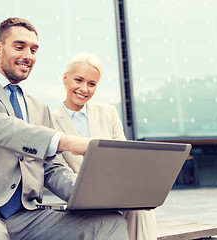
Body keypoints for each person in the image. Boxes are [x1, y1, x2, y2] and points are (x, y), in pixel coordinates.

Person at [0, 18, 129, 240]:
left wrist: (94, 192)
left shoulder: (39, 108)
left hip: (27, 215)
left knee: (110, 223)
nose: (28, 55)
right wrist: (66, 141)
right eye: (19, 47)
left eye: (34, 50)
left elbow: (52, 168)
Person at [52, 53, 157, 240]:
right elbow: (57, 171)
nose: (84, 89)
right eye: (79, 80)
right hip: (79, 199)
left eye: (92, 84)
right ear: (65, 79)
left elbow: (125, 160)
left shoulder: (108, 113)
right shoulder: (49, 121)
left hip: (115, 192)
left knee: (141, 208)